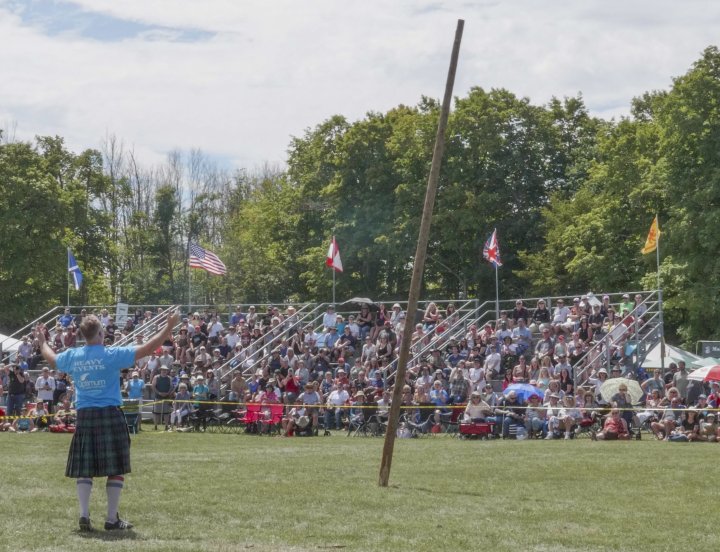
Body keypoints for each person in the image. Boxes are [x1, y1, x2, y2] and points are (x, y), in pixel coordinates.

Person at [37, 309, 179, 532]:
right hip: (110, 413)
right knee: (116, 467)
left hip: (85, 415)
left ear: (83, 335)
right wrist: (169, 327)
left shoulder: (73, 356)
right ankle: (111, 519)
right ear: (101, 333)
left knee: (86, 466)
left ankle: (84, 515)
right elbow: (149, 348)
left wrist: (42, 341)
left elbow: (51, 358)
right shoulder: (111, 355)